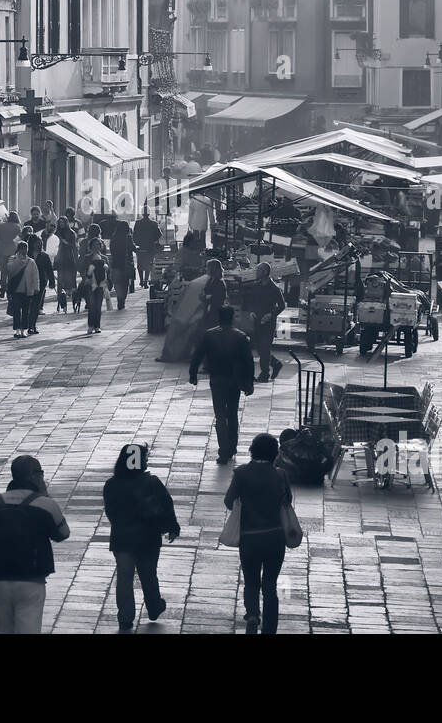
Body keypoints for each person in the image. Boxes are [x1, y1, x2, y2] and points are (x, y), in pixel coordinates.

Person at [0, 455, 71, 634]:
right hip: (31, 581)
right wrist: (45, 496)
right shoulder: (45, 505)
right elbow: (63, 534)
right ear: (35, 476)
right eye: (41, 473)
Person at [102, 443, 178, 631]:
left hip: (122, 538)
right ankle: (153, 607)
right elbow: (166, 505)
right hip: (148, 537)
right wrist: (172, 526)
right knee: (148, 574)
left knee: (124, 578)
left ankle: (125, 617)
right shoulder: (151, 482)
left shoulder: (111, 484)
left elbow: (110, 511)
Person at [224, 433, 293, 634]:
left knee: (251, 580)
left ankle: (253, 613)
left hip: (250, 536)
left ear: (252, 451)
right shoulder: (281, 474)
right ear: (275, 454)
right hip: (275, 536)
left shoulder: (241, 473)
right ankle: (270, 626)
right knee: (270, 582)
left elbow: (229, 502)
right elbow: (287, 500)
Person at [190, 306, 256, 464]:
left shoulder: (209, 334)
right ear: (232, 318)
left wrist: (193, 373)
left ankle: (223, 451)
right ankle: (232, 447)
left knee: (220, 416)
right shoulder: (241, 337)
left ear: (218, 318)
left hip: (217, 379)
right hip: (234, 380)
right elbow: (249, 361)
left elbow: (198, 355)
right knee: (232, 414)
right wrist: (249, 383)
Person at [245, 262, 287, 383]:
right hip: (257, 320)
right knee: (259, 348)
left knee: (265, 347)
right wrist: (252, 311)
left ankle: (265, 374)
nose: (256, 272)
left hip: (268, 322)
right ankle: (276, 363)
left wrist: (271, 315)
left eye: (258, 270)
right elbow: (251, 300)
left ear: (264, 272)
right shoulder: (256, 285)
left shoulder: (274, 288)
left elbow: (282, 305)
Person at [4, 240, 40, 338]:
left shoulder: (31, 262)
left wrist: (36, 288)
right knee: (16, 310)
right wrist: (19, 260)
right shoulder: (12, 259)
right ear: (18, 249)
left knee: (25, 311)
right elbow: (10, 269)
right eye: (22, 249)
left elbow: (35, 275)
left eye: (26, 249)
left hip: (27, 290)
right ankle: (17, 330)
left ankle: (24, 329)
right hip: (15, 290)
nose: (24, 251)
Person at [28, 234, 54, 335]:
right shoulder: (26, 254)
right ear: (31, 244)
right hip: (27, 282)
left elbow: (49, 270)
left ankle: (32, 325)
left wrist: (52, 281)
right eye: (36, 243)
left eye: (40, 243)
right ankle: (27, 324)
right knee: (28, 304)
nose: (39, 245)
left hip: (41, 282)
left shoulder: (44, 256)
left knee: (36, 304)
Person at [82, 237, 108, 335]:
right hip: (90, 285)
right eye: (95, 245)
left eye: (98, 244)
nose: (97, 246)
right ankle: (91, 326)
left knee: (98, 306)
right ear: (91, 246)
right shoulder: (87, 258)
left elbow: (107, 272)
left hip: (101, 285)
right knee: (92, 305)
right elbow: (83, 270)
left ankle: (97, 326)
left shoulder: (104, 258)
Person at [0, 212, 23, 296]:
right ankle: (10, 290)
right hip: (13, 250)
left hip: (1, 250)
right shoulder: (17, 227)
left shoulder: (1, 226)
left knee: (3, 271)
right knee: (11, 272)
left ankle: (3, 288)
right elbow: (20, 237)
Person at [54, 217, 79, 312]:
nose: (61, 224)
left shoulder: (71, 233)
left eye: (62, 222)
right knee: (60, 281)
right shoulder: (57, 233)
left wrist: (66, 243)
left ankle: (75, 300)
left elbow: (74, 247)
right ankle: (61, 302)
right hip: (60, 260)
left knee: (72, 281)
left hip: (70, 259)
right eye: (59, 222)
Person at [109, 221, 136, 310]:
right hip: (126, 263)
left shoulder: (113, 237)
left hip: (116, 263)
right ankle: (122, 300)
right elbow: (133, 248)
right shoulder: (128, 237)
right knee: (125, 283)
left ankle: (119, 298)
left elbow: (112, 250)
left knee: (117, 283)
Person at [133, 207, 162, 288]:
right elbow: (159, 234)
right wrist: (153, 240)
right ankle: (146, 281)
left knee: (140, 264)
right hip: (150, 247)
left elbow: (134, 235)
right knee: (148, 264)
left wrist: (137, 242)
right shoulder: (154, 223)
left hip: (140, 247)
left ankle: (141, 280)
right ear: (149, 213)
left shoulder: (138, 223)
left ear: (142, 213)